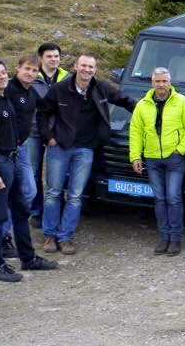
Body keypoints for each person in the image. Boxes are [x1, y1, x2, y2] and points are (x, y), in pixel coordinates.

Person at [37, 53, 135, 254]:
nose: (87, 70)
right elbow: (42, 113)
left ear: (95, 70)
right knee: (53, 192)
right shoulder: (59, 89)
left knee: (75, 195)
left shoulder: (102, 88)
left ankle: (66, 237)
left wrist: (150, 114)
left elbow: (126, 101)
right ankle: (50, 235)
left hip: (85, 149)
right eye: (83, 66)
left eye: (91, 67)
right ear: (75, 66)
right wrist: (48, 137)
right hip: (60, 147)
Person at [0, 58, 58, 281]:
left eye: (3, 72)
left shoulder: (4, 98)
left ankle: (28, 258)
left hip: (12, 158)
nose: (2, 76)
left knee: (20, 210)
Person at [129, 68, 185, 256]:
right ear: (152, 83)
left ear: (170, 82)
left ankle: (175, 238)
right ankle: (164, 237)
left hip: (175, 158)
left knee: (173, 197)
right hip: (152, 159)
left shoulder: (183, 102)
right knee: (159, 199)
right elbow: (135, 132)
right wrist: (135, 156)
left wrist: (181, 149)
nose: (161, 85)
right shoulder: (142, 105)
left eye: (164, 81)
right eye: (158, 81)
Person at [27, 42, 69, 228]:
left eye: (56, 56)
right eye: (49, 56)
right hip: (33, 131)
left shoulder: (67, 78)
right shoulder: (31, 77)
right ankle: (36, 211)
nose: (53, 59)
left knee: (57, 174)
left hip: (58, 132)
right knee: (33, 172)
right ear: (41, 58)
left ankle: (57, 209)